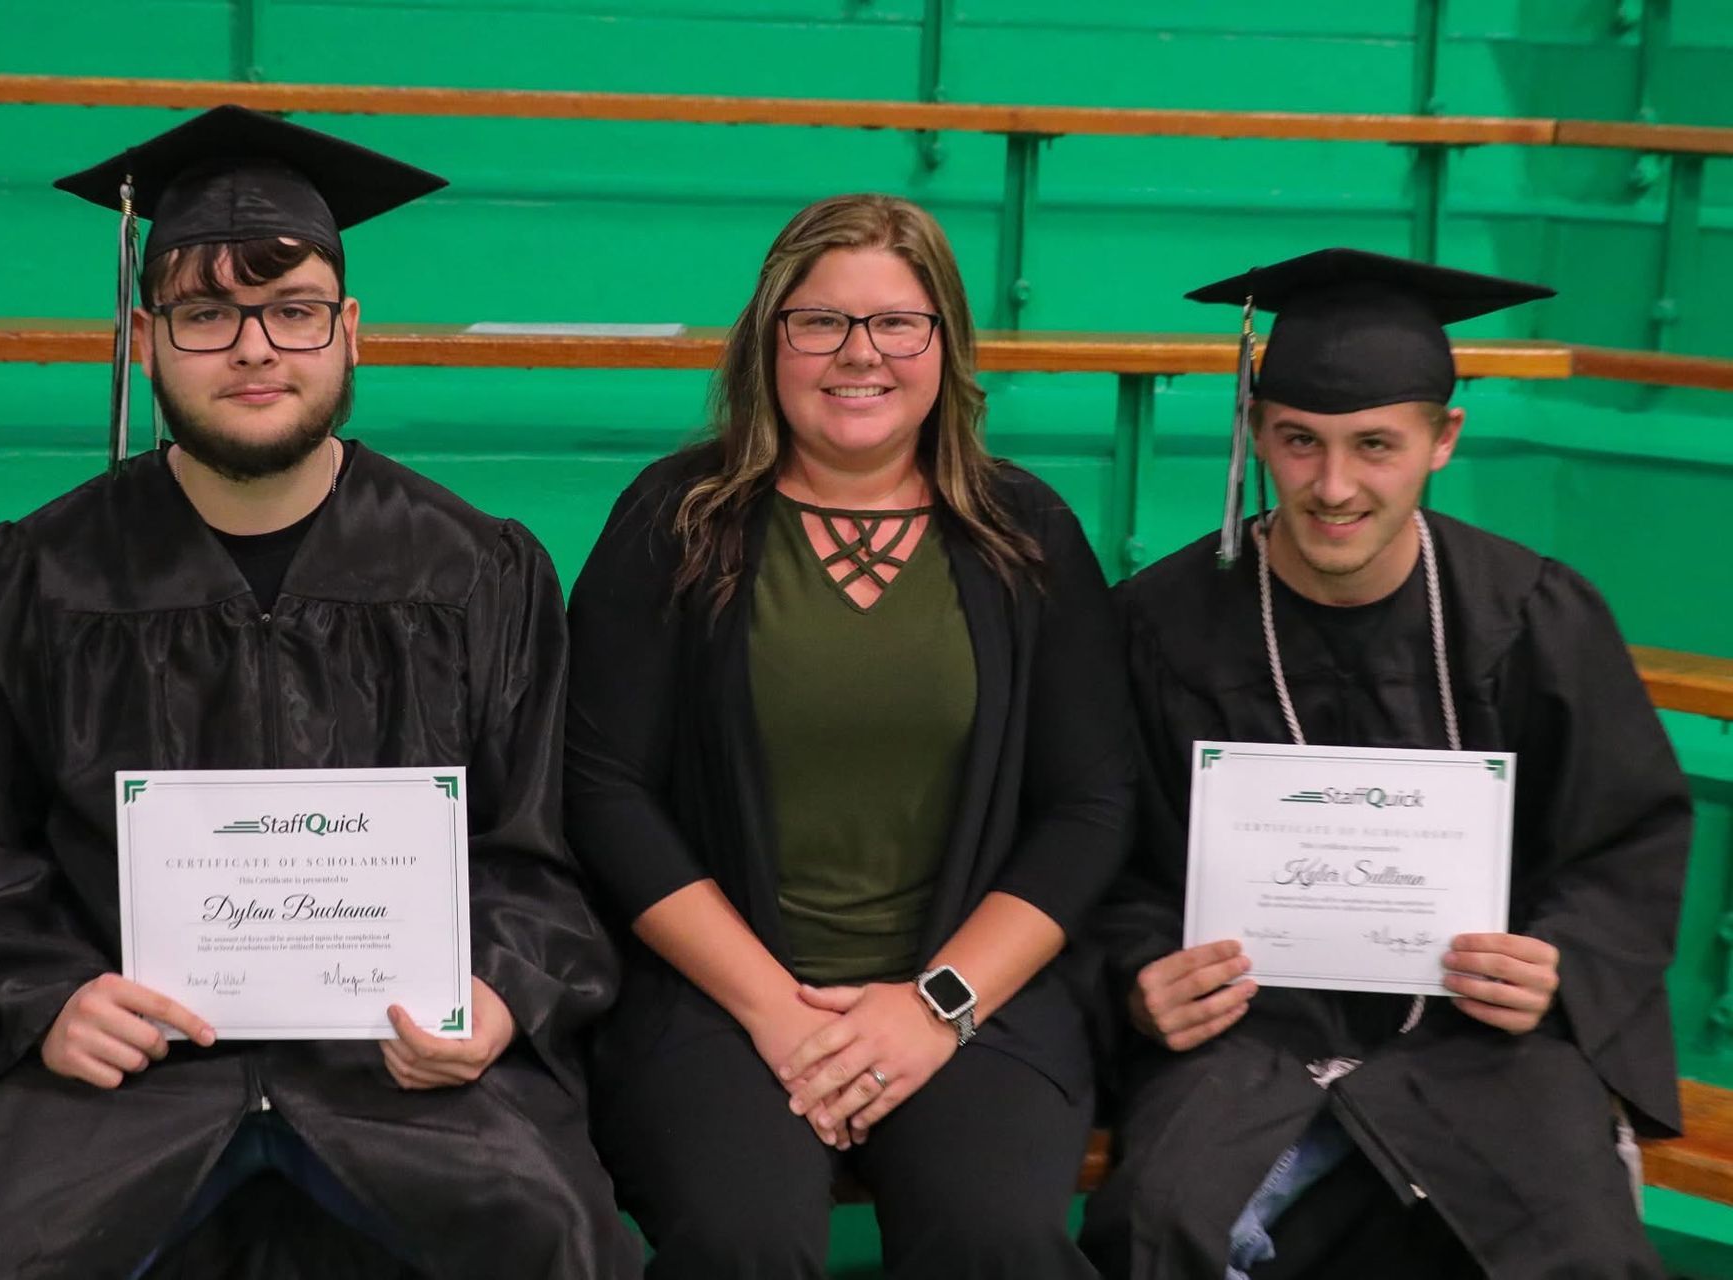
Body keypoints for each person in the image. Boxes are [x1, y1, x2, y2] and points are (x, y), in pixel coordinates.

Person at [0, 106, 637, 1280]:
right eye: (207, 313)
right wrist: (49, 995)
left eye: (293, 308)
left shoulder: (475, 571)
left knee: (563, 1240)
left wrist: (499, 994)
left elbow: (545, 844)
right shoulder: (43, 574)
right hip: (128, 1067)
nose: (255, 346)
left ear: (350, 331)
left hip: (397, 1062)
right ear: (147, 334)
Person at [1078, 248, 1692, 1279]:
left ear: (1442, 439)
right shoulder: (1161, 626)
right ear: (1258, 435)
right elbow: (1101, 853)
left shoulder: (1530, 616)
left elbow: (1624, 840)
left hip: (1482, 1037)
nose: (1333, 485)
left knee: (1578, 1244)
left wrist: (1558, 961)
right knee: (1159, 1223)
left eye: (1375, 445)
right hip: (1242, 1040)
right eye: (1299, 442)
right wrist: (1142, 976)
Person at [564, 193, 1134, 1279]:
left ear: (944, 345)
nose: (857, 353)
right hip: (718, 1000)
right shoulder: (675, 521)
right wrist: (774, 1007)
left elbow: (1091, 802)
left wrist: (936, 1007)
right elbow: (603, 787)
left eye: (896, 323)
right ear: (768, 340)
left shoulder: (1027, 535)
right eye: (819, 321)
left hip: (967, 995)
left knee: (996, 1238)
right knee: (744, 1240)